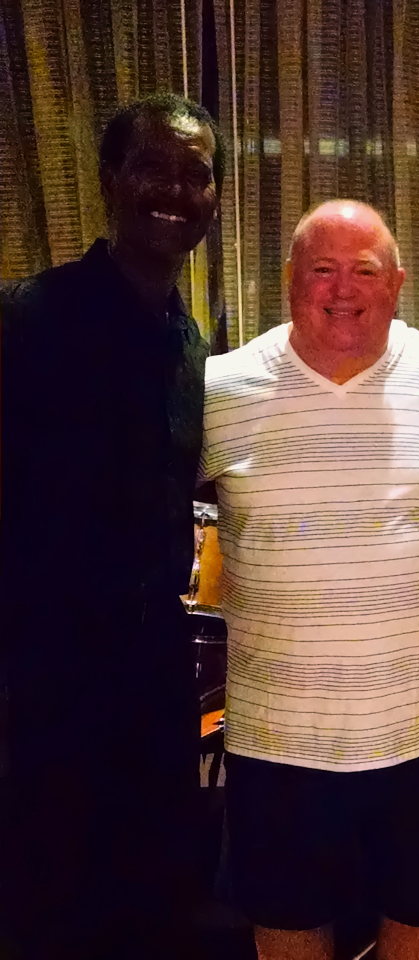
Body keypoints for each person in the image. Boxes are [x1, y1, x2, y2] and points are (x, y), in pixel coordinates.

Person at [200, 200, 419, 960]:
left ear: (397, 284)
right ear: (289, 280)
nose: (342, 289)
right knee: (289, 930)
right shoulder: (221, 389)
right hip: (275, 742)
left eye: (363, 270)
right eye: (321, 269)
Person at [0, 93, 223, 959]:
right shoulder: (24, 320)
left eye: (196, 175)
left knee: (158, 902)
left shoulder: (191, 345)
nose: (174, 191)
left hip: (156, 679)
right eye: (152, 168)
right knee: (49, 908)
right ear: (109, 180)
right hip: (44, 682)